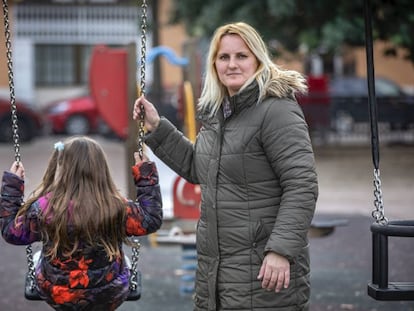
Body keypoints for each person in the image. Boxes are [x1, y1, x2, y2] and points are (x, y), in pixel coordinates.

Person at [134, 22, 318, 311]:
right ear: (214, 63)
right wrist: (157, 128)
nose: (232, 64)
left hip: (262, 273)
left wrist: (280, 251)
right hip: (217, 274)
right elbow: (200, 168)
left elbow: (302, 184)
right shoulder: (219, 112)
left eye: (241, 56)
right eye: (224, 57)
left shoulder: (276, 110)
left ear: (258, 59)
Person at [0, 135, 163, 310]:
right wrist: (145, 174)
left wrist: (13, 187)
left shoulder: (45, 207)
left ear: (60, 168)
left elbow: (11, 232)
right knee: (125, 263)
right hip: (109, 294)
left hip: (58, 295)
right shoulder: (116, 206)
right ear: (101, 169)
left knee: (38, 257)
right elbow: (150, 219)